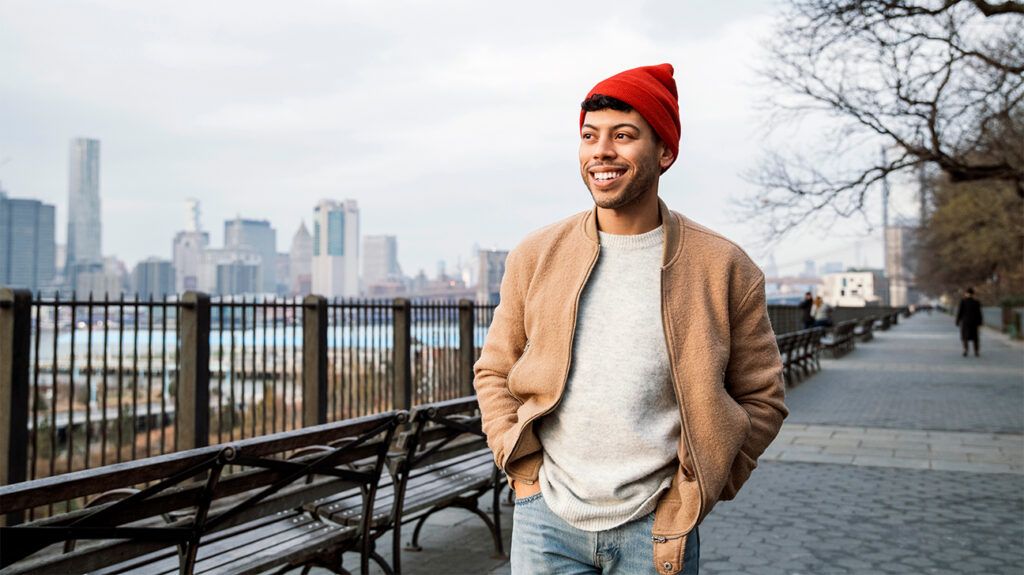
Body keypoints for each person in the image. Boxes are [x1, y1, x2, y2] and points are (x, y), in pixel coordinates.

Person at [474, 64, 788, 575]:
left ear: (664, 152)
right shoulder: (536, 255)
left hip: (657, 526)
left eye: (623, 136)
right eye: (589, 136)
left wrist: (701, 488)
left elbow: (762, 398)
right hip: (546, 519)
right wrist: (523, 471)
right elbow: (494, 370)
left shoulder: (724, 267)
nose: (601, 151)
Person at [955, 287, 983, 357]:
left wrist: (957, 321)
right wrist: (980, 322)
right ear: (973, 294)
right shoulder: (976, 302)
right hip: (974, 322)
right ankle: (976, 351)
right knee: (975, 337)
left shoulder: (963, 302)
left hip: (965, 321)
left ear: (966, 294)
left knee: (965, 337)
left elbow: (960, 312)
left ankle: (965, 350)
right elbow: (979, 313)